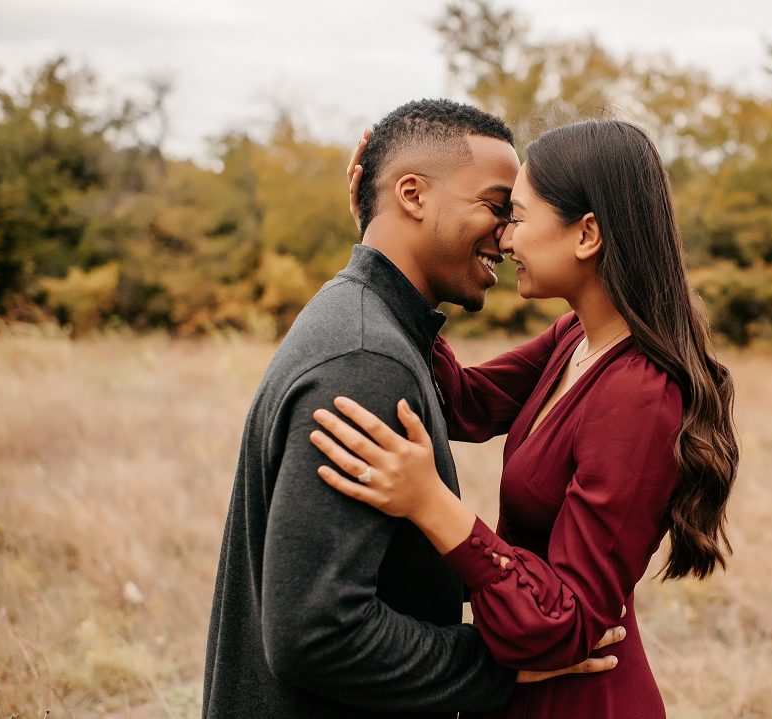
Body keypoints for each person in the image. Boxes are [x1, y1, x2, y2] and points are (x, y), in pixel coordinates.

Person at [202, 100, 622, 719]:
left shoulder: (361, 322)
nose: (507, 236)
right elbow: (316, 633)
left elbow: (470, 399)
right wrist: (498, 666)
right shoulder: (366, 360)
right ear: (413, 195)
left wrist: (374, 226)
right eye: (495, 205)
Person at [310, 119, 741, 718]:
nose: (505, 239)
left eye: (518, 216)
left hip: (581, 699)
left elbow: (564, 621)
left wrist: (430, 502)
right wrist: (385, 234)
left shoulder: (640, 394)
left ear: (586, 234)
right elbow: (464, 401)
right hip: (521, 692)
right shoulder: (574, 339)